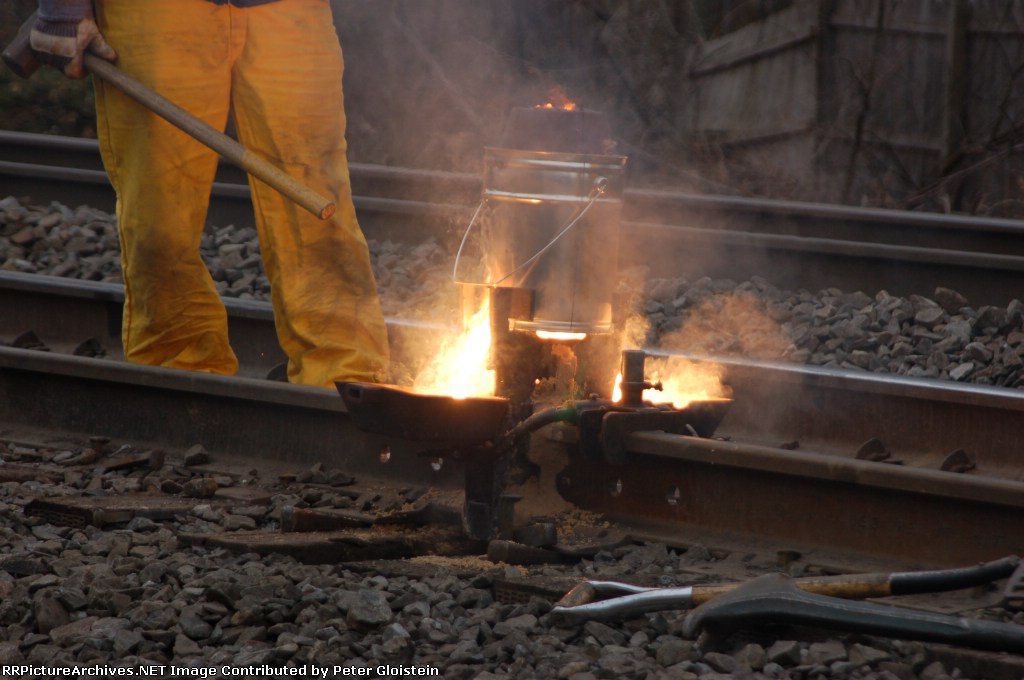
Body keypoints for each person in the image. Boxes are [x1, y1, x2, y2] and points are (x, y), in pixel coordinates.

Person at [30, 0, 390, 388]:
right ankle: (179, 375)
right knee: (159, 214)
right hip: (157, 12)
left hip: (288, 8)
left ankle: (342, 377)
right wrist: (62, 9)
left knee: (317, 202)